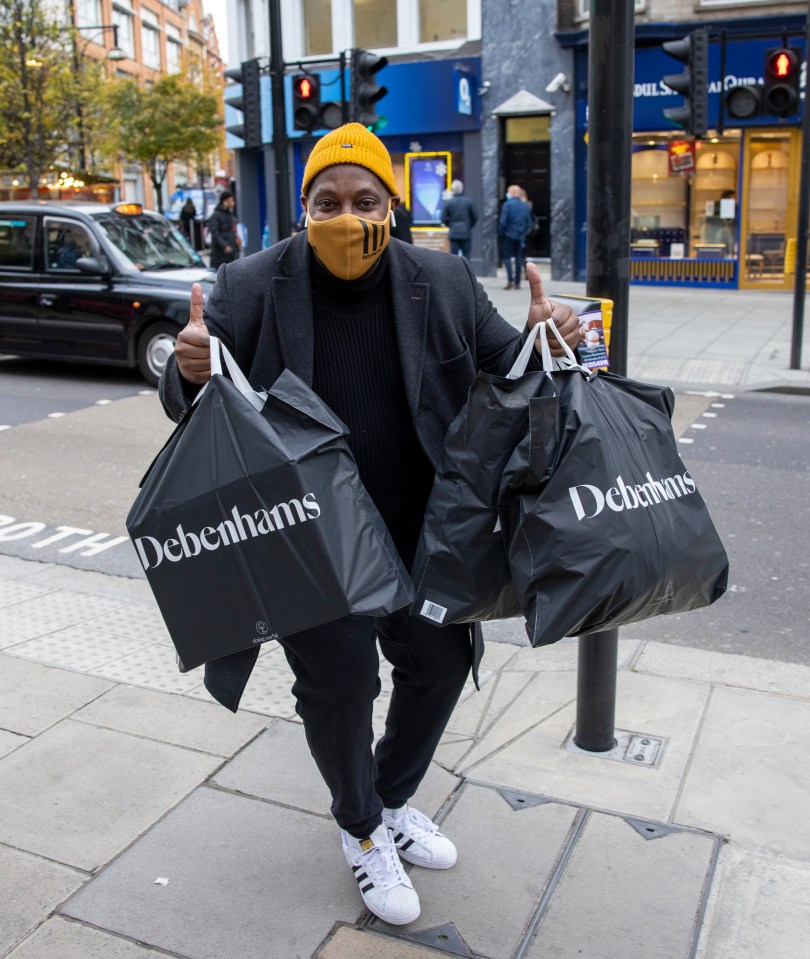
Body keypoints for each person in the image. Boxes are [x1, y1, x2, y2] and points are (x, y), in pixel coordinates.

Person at [159, 123, 580, 928]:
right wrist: (183, 374)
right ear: (302, 211)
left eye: (364, 199)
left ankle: (385, 799)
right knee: (343, 682)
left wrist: (546, 338)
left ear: (392, 204)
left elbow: (508, 362)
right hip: (311, 539)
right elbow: (193, 403)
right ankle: (358, 827)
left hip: (422, 527)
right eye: (327, 201)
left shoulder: (443, 278)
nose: (346, 216)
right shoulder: (250, 287)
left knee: (442, 665)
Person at [499, 184, 532, 290]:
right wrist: (523, 232)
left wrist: (502, 232)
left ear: (512, 193)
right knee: (518, 258)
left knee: (507, 257)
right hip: (520, 235)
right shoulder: (525, 205)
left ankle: (510, 280)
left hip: (509, 235)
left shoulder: (507, 205)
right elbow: (529, 223)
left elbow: (503, 221)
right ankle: (517, 282)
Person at [441, 179, 478, 259]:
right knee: (467, 256)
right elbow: (475, 216)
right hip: (466, 233)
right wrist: (469, 225)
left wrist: (450, 225)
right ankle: (467, 271)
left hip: (454, 233)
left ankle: (455, 272)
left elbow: (443, 218)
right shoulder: (469, 201)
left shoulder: (449, 202)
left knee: (454, 257)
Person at [207, 190, 241, 269]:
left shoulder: (229, 214)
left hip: (232, 252)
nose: (233, 203)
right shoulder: (216, 215)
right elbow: (215, 233)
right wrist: (225, 246)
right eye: (231, 200)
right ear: (224, 202)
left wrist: (236, 239)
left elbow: (231, 230)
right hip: (220, 254)